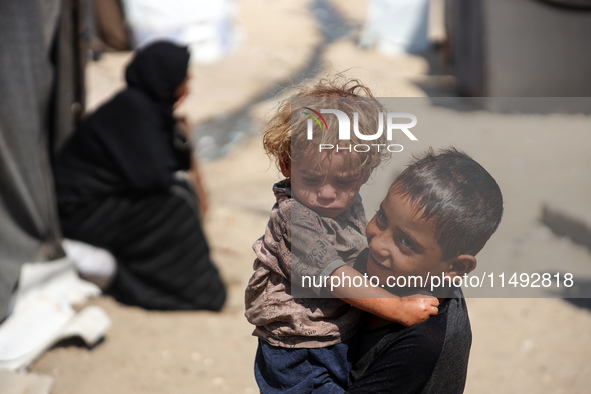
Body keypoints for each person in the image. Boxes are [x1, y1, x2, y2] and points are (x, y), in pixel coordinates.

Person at [244, 77, 440, 393]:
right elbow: (336, 276)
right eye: (311, 178)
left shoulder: (347, 202)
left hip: (335, 333)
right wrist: (398, 308)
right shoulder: (294, 217)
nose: (326, 193)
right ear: (286, 165)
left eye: (345, 183)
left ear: (365, 173)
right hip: (297, 348)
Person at [53, 41, 226, 311]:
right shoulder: (133, 110)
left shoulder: (146, 109)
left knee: (181, 194)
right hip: (79, 212)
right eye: (184, 75)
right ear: (165, 78)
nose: (189, 79)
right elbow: (154, 177)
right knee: (176, 207)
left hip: (96, 202)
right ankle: (190, 292)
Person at [347, 148, 504, 393]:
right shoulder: (384, 273)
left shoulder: (422, 343)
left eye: (406, 242)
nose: (377, 244)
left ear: (455, 267)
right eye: (383, 218)